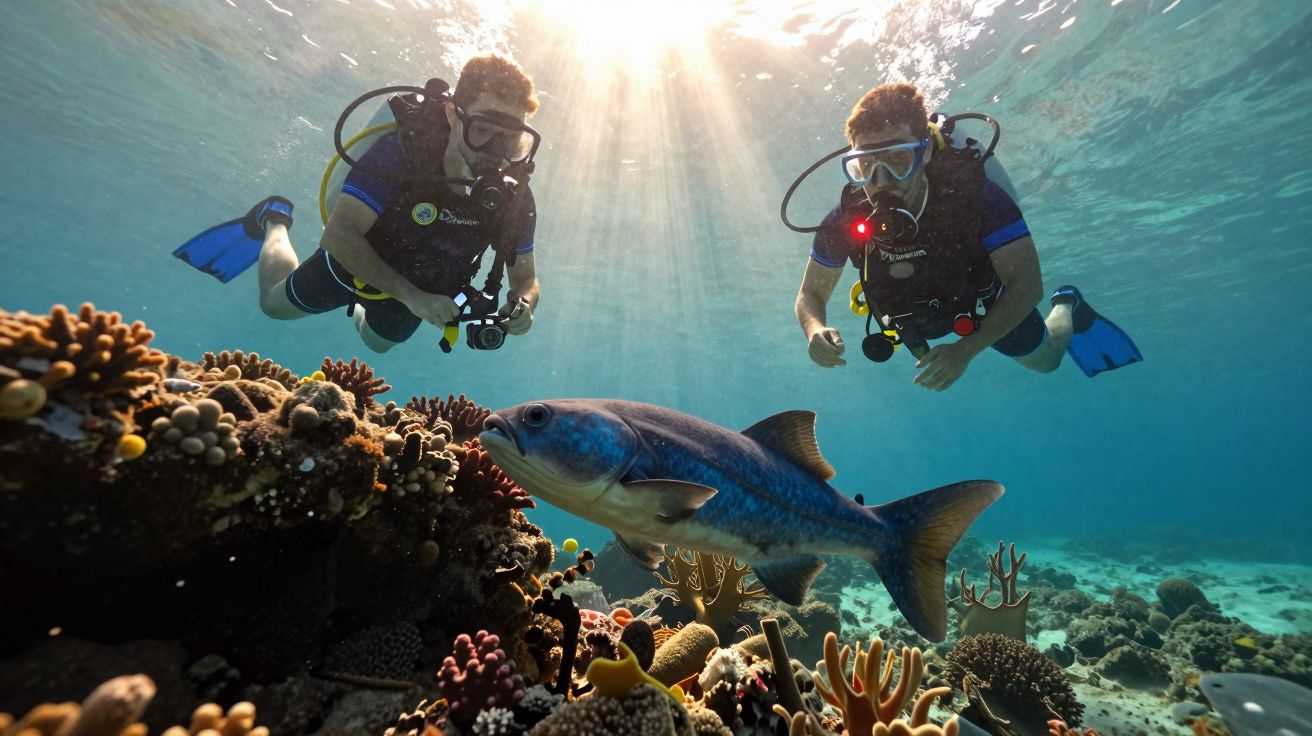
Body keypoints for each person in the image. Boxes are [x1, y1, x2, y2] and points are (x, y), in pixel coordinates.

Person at [175, 54, 542, 353]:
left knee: (377, 345)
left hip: (419, 296)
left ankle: (362, 306)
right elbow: (337, 235)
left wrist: (523, 304)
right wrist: (412, 297)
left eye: (512, 139)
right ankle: (275, 218)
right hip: (351, 268)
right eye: (482, 130)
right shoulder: (403, 155)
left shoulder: (514, 196)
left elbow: (525, 276)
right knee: (273, 305)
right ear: (452, 114)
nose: (497, 153)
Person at [791, 83, 1140, 389]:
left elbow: (1028, 285)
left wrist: (965, 351)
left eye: (898, 160)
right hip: (914, 319)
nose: (880, 180)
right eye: (865, 165)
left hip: (986, 308)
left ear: (925, 151)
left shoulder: (976, 200)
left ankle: (1066, 303)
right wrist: (814, 329)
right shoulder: (846, 219)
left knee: (1047, 361)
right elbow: (810, 293)